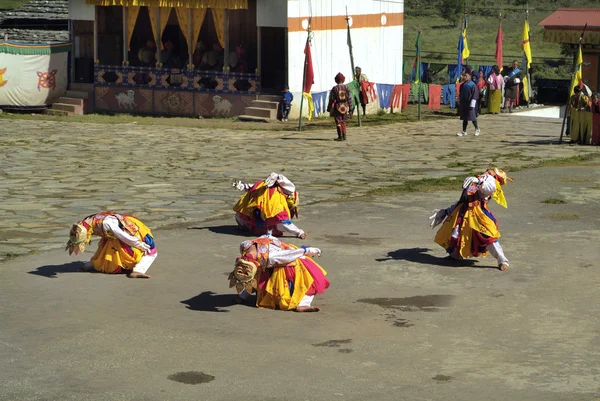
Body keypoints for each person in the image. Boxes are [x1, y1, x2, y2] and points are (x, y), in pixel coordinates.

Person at [429, 168, 514, 271]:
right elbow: (463, 200)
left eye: (491, 171)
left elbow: (489, 189)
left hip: (479, 213)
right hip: (463, 211)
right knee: (457, 233)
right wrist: (446, 211)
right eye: (489, 170)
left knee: (487, 236)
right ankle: (455, 255)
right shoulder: (476, 179)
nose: (488, 171)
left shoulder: (489, 180)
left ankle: (502, 260)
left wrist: (480, 181)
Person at [229, 235, 330, 312]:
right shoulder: (268, 256)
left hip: (282, 261)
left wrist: (306, 250)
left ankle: (242, 297)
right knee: (311, 281)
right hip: (283, 268)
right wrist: (308, 250)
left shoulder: (244, 246)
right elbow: (292, 254)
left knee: (256, 277)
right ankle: (303, 304)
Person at [65, 211, 157, 279]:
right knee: (151, 252)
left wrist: (138, 244)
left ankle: (90, 265)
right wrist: (138, 244)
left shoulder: (98, 223)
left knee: (150, 250)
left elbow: (124, 236)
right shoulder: (86, 223)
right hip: (115, 234)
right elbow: (122, 236)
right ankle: (138, 270)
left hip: (126, 229)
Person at [233, 172, 305, 239]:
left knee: (282, 221)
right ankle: (247, 228)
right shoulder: (262, 185)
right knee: (241, 216)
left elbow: (290, 189)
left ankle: (298, 232)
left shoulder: (282, 188)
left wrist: (299, 233)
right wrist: (243, 185)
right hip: (259, 210)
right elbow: (252, 187)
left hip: (275, 207)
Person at [327, 72, 353, 141]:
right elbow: (350, 99)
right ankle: (344, 135)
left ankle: (340, 136)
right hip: (345, 107)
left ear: (336, 80)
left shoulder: (335, 88)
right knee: (343, 121)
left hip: (337, 107)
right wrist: (350, 109)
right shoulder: (347, 88)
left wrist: (329, 108)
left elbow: (331, 99)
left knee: (338, 121)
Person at [457, 70, 480, 137]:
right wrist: (459, 99)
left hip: (470, 103)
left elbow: (475, 94)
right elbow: (460, 93)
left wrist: (473, 102)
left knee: (472, 117)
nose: (464, 77)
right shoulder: (462, 85)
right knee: (465, 118)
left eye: (466, 76)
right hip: (464, 103)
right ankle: (464, 131)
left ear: (470, 76)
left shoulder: (472, 85)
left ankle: (477, 129)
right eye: (463, 76)